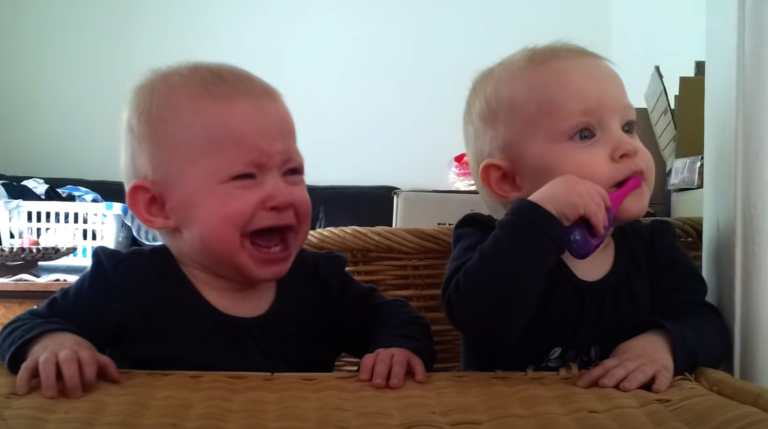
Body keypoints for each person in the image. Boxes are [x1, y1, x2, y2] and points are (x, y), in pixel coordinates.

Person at [0, 62, 435, 399]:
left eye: (291, 172)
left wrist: (396, 349)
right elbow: (27, 326)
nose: (281, 195)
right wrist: (54, 343)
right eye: (245, 177)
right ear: (159, 206)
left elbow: (398, 319)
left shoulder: (319, 282)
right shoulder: (125, 282)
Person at [442, 42, 729, 393]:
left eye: (627, 126)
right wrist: (539, 218)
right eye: (585, 134)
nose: (629, 147)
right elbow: (479, 318)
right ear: (509, 180)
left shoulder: (653, 248)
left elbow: (707, 324)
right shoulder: (483, 238)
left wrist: (664, 342)